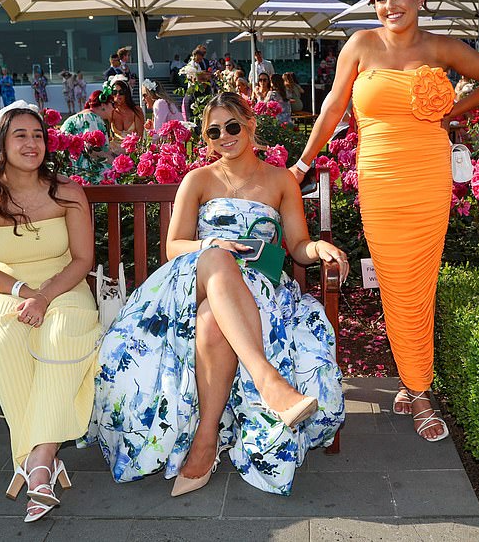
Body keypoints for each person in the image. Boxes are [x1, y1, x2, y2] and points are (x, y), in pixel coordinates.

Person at [289, 0, 479, 442]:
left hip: (429, 179)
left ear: (420, 0)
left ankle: (418, 388)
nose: (389, 6)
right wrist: (303, 163)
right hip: (381, 180)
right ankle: (416, 383)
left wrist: (451, 111)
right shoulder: (361, 45)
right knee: (394, 279)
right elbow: (332, 108)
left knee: (421, 280)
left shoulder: (441, 47)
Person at [82, 92, 346, 495]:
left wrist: (318, 248)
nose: (224, 136)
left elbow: (296, 246)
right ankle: (268, 381)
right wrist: (214, 246)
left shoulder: (280, 181)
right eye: (214, 131)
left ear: (251, 124)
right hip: (193, 280)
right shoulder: (198, 180)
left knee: (212, 323)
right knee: (218, 260)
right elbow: (174, 247)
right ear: (205, 138)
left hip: (255, 287)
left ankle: (205, 442)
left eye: (233, 126)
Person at [0, 102, 103, 523]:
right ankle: (42, 459)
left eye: (38, 135)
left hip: (66, 287)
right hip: (9, 291)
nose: (32, 142)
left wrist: (45, 296)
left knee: (61, 336)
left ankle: (37, 461)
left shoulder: (68, 192)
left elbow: (81, 260)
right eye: (20, 134)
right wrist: (25, 292)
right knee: (7, 342)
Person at [61, 89, 112, 175]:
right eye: (112, 104)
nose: (114, 108)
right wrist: (115, 162)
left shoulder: (74, 117)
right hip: (83, 171)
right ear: (103, 105)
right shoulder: (92, 118)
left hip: (68, 170)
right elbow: (92, 150)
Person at [107, 76, 144, 147]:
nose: (118, 95)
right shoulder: (111, 111)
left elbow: (140, 137)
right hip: (113, 151)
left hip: (132, 150)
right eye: (114, 92)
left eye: (121, 92)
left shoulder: (136, 111)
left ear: (127, 93)